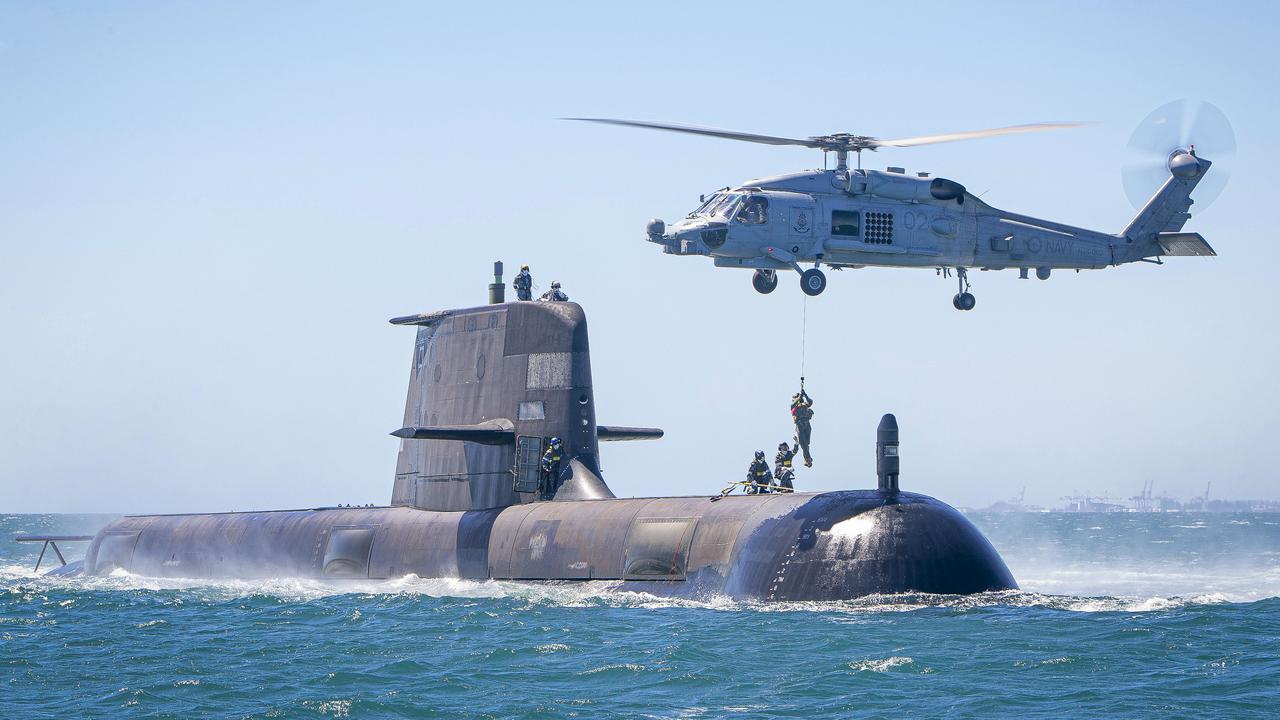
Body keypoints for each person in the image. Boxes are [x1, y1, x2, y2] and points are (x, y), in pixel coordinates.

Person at [791, 388, 814, 467]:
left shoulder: (804, 405)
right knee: (804, 444)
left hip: (807, 424)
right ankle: (808, 459)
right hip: (800, 426)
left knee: (807, 443)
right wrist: (799, 398)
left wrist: (805, 395)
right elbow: (792, 405)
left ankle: (807, 458)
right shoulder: (794, 407)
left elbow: (810, 402)